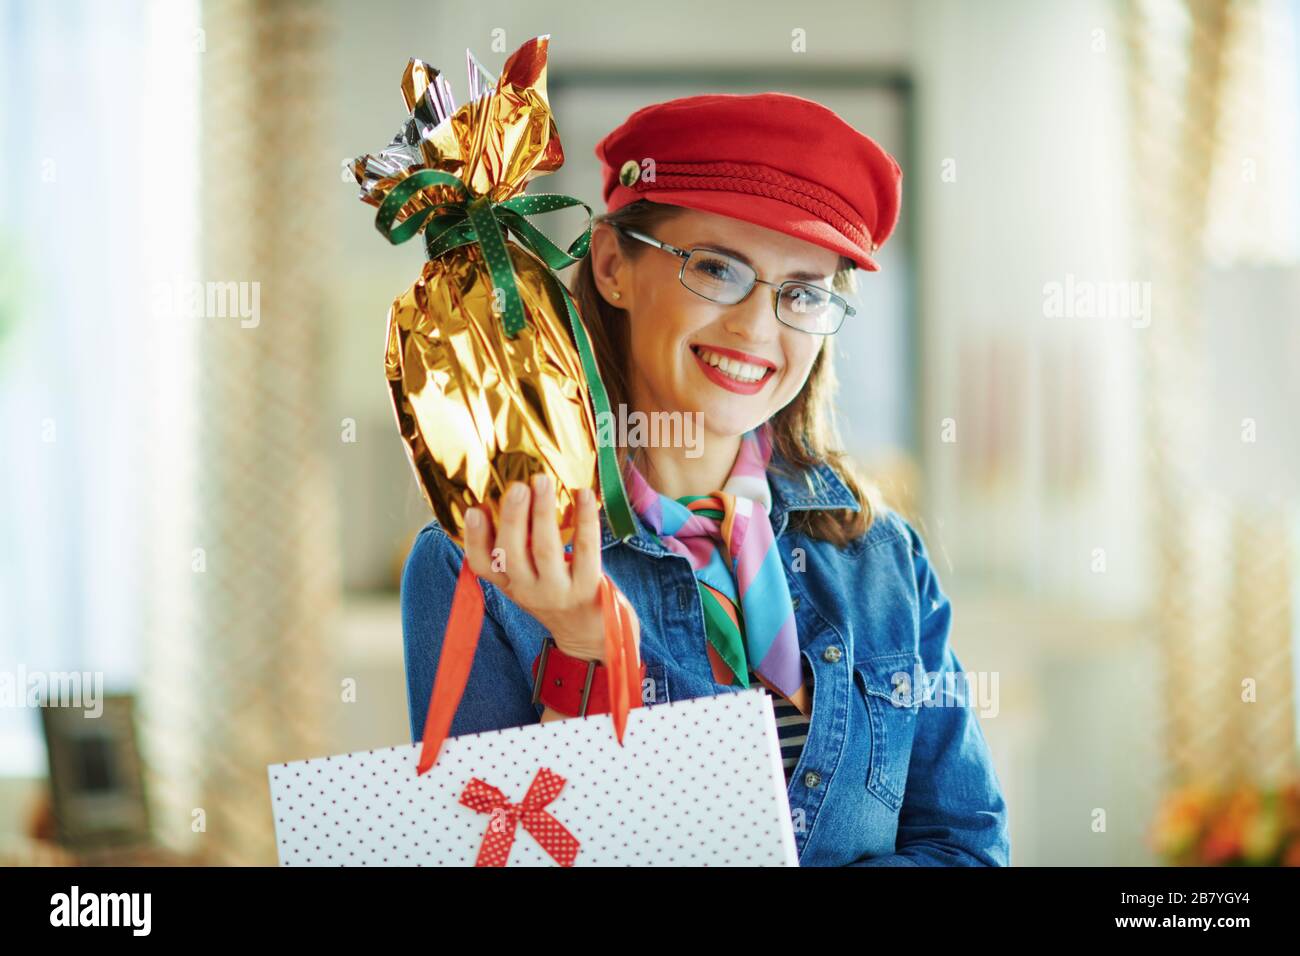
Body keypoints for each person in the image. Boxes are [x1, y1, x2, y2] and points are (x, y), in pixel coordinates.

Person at [401, 92, 1011, 866]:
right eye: (717, 269)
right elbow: (482, 855)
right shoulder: (481, 562)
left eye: (803, 292)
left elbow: (965, 845)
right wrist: (586, 656)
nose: (757, 329)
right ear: (614, 265)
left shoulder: (882, 558)